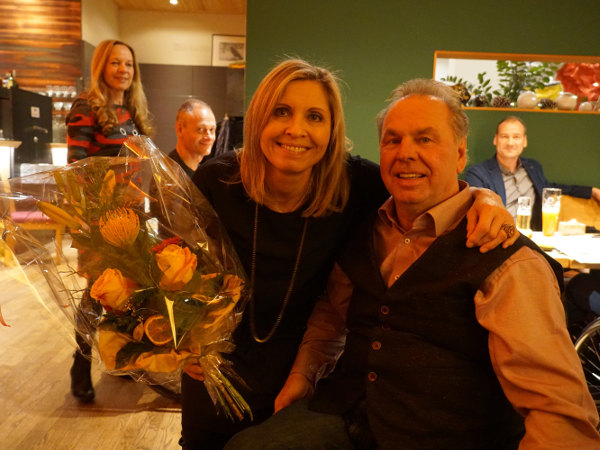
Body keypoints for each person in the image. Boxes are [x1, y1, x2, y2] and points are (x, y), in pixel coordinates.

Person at [224, 79, 600, 449]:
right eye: (392, 140)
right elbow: (332, 315)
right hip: (343, 414)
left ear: (460, 154)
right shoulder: (363, 223)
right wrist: (303, 376)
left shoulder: (505, 258)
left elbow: (558, 412)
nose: (405, 153)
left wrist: (485, 197)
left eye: (425, 139)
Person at [181, 59, 518, 449]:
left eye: (314, 116)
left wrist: (486, 198)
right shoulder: (217, 181)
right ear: (258, 119)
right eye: (281, 112)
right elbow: (171, 274)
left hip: (305, 370)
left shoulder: (358, 185)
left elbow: (432, 189)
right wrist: (178, 338)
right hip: (215, 366)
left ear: (332, 130)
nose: (296, 129)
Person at [65, 39, 154, 402]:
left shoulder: (131, 109)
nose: (123, 70)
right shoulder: (86, 106)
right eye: (115, 63)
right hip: (98, 216)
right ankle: (80, 364)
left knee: (129, 289)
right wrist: (86, 217)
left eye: (128, 64)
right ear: (101, 66)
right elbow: (75, 167)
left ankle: (124, 356)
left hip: (130, 215)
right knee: (96, 292)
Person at [464, 116, 600, 230]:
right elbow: (478, 212)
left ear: (524, 141)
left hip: (533, 238)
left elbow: (549, 187)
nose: (510, 143)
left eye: (516, 137)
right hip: (500, 237)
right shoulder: (478, 173)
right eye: (504, 136)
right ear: (496, 139)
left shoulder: (533, 167)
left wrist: (592, 191)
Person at [169, 99, 217, 178]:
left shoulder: (201, 172)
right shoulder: (169, 175)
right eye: (200, 129)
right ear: (180, 129)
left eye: (212, 129)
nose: (209, 137)